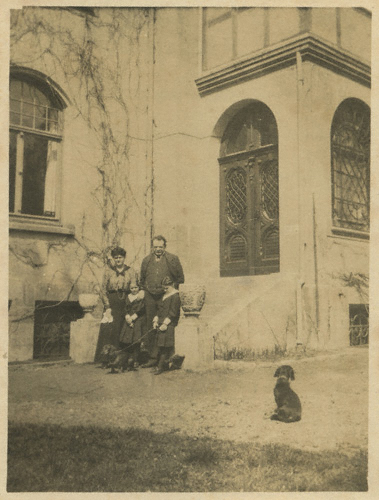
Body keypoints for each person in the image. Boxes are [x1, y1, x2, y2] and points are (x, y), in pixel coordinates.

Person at [139, 235, 184, 367]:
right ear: (152, 247)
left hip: (165, 297)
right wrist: (145, 291)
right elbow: (141, 280)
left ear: (165, 246)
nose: (158, 249)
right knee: (151, 325)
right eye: (155, 247)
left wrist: (170, 292)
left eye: (160, 247)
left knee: (165, 325)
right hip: (150, 297)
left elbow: (181, 278)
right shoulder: (146, 260)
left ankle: (165, 358)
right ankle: (152, 358)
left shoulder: (172, 259)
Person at [94, 246, 138, 363]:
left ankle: (123, 359)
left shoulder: (131, 271)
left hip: (126, 301)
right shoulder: (108, 271)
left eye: (120, 257)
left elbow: (134, 288)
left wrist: (132, 303)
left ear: (124, 258)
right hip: (112, 302)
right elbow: (103, 290)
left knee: (124, 329)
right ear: (113, 259)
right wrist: (107, 306)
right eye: (116, 258)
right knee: (109, 329)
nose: (118, 260)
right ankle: (106, 359)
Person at [152, 276, 181, 375]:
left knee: (165, 346)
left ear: (172, 285)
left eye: (166, 288)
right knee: (160, 345)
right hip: (161, 323)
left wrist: (165, 323)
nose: (165, 290)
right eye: (163, 288)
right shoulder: (164, 296)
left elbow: (173, 312)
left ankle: (161, 367)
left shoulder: (175, 296)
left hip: (169, 324)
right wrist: (156, 320)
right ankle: (160, 365)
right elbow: (159, 309)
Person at [119, 283, 146, 370]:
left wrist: (134, 317)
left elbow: (142, 308)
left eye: (136, 287)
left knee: (136, 340)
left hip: (137, 318)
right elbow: (124, 307)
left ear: (138, 288)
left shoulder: (141, 297)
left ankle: (136, 360)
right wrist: (127, 316)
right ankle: (127, 359)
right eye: (132, 288)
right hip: (128, 319)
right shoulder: (128, 297)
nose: (134, 290)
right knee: (127, 339)